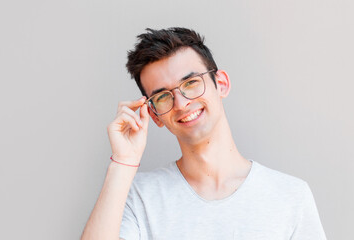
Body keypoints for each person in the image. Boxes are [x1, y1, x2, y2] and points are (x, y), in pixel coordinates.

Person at [81, 27, 326, 240]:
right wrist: (123, 162)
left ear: (221, 84)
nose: (181, 103)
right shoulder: (139, 196)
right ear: (154, 114)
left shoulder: (290, 196)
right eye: (163, 96)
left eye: (191, 83)